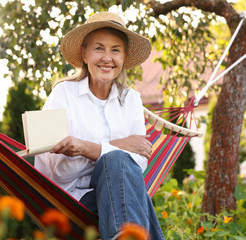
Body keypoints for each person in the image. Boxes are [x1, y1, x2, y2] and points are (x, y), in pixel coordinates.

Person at [35, 12, 165, 240]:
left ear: (123, 57)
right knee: (119, 164)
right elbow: (60, 170)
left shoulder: (132, 99)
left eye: (115, 50)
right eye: (99, 48)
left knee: (120, 169)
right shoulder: (62, 95)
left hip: (120, 198)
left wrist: (85, 147)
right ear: (84, 54)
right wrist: (118, 147)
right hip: (71, 202)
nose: (107, 57)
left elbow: (139, 162)